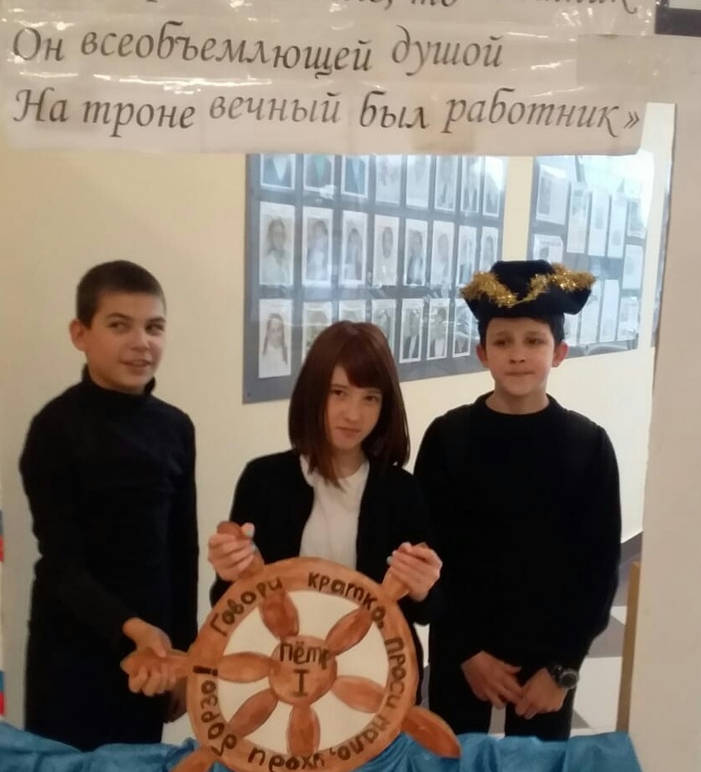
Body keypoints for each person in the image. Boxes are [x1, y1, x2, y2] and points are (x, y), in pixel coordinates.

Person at [414, 260, 621, 740]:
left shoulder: (587, 446)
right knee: (455, 765)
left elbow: (597, 568)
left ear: (559, 352)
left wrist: (563, 667)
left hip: (548, 656)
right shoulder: (448, 438)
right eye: (503, 342)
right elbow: (428, 553)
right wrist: (466, 652)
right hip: (463, 649)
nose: (518, 355)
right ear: (482, 353)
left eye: (534, 341)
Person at [19, 261, 198, 750]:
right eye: (120, 326)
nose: (141, 343)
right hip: (73, 651)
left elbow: (181, 551)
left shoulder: (176, 427)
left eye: (154, 328)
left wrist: (185, 657)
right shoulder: (55, 428)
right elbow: (62, 565)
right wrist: (132, 629)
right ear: (80, 333)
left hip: (152, 655)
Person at [207, 322, 442, 689]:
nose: (353, 414)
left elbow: (425, 612)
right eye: (338, 393)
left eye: (370, 398)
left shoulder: (400, 490)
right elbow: (226, 603)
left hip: (374, 678)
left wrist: (423, 587)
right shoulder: (263, 480)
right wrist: (228, 572)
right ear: (313, 392)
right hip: (281, 678)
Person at [260, 217, 292, 286]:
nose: (279, 239)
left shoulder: (289, 259)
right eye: (276, 235)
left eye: (282, 235)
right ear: (270, 237)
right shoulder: (265, 263)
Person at [259, 311, 290, 378]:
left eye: (279, 330)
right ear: (268, 333)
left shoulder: (287, 352)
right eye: (273, 331)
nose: (277, 335)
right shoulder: (264, 357)